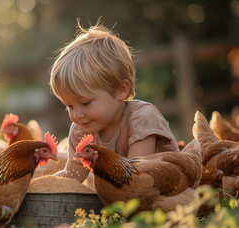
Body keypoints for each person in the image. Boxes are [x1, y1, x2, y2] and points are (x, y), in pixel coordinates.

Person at [50, 23, 180, 183]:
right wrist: (36, 185)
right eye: (69, 106)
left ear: (121, 90)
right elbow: (72, 178)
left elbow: (135, 178)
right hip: (124, 199)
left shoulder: (142, 118)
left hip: (166, 197)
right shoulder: (81, 131)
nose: (76, 115)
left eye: (85, 103)